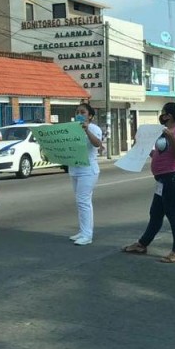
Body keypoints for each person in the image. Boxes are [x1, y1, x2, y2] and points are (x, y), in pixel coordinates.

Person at [122, 102, 175, 263]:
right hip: (163, 180)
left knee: (173, 215)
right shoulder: (163, 132)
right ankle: (142, 244)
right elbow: (161, 155)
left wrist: (171, 137)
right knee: (156, 213)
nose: (162, 115)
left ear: (169, 115)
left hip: (174, 178)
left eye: (163, 113)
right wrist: (144, 149)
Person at [68, 103, 103, 246]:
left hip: (88, 171)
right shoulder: (73, 129)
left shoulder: (94, 128)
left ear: (90, 116)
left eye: (83, 112)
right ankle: (83, 231)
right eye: (77, 111)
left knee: (83, 201)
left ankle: (87, 235)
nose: (79, 114)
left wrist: (87, 130)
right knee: (80, 202)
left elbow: (97, 144)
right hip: (75, 169)